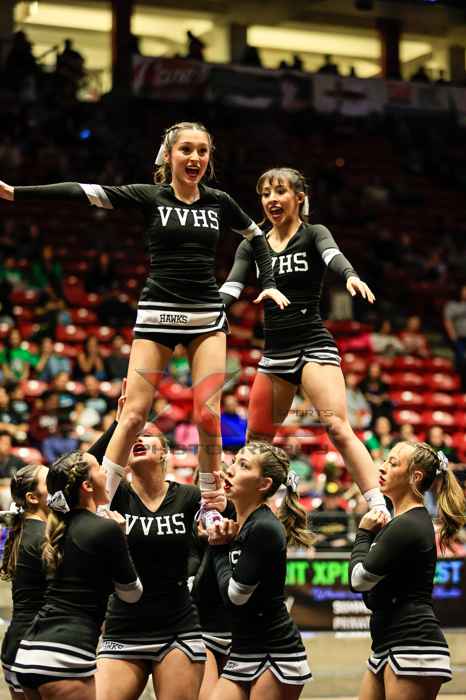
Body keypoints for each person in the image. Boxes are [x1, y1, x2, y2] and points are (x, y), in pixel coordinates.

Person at [0, 121, 287, 527]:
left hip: (206, 315)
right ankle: (102, 502)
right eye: (186, 149)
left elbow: (257, 238)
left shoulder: (219, 201)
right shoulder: (150, 196)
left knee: (208, 415)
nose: (195, 158)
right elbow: (83, 191)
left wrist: (269, 283)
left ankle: (210, 501)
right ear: (169, 155)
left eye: (202, 151)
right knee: (133, 414)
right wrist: (16, 192)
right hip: (157, 312)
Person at [220, 168, 388, 518]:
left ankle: (378, 506)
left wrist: (350, 275)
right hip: (274, 354)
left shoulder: (314, 233)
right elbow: (232, 286)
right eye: (265, 193)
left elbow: (332, 255)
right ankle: (247, 514)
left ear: (299, 197)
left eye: (280, 191)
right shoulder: (252, 243)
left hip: (313, 343)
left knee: (337, 426)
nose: (271, 199)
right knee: (255, 443)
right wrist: (206, 309)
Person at [96, 428, 226, 700]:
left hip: (178, 625)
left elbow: (221, 517)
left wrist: (217, 525)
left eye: (147, 435)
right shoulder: (114, 496)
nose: (138, 439)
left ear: (164, 452)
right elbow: (89, 465)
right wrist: (121, 426)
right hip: (124, 624)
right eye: (135, 437)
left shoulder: (188, 496)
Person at [12, 449, 142, 699]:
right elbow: (132, 594)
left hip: (29, 654)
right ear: (87, 486)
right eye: (99, 469)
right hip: (65, 656)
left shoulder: (55, 528)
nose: (105, 473)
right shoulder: (106, 529)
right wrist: (122, 539)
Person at [350, 441, 466, 700]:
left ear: (415, 477)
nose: (383, 467)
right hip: (389, 643)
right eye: (385, 460)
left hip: (413, 645)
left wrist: (363, 534)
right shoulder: (400, 523)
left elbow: (359, 580)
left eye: (393, 464)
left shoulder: (408, 525)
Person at [207, 442, 313, 699]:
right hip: (243, 648)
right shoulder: (239, 523)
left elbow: (236, 597)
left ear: (264, 484)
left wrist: (219, 549)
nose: (231, 469)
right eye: (235, 461)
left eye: (244, 466)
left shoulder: (263, 527)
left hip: (276, 652)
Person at [0, 464, 49, 700]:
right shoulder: (44, 537)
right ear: (32, 497)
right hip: (38, 646)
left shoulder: (25, 529)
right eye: (51, 482)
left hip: (16, 645)